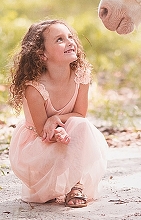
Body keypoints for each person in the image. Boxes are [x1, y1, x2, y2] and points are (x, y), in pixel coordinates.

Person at [7, 20, 108, 207]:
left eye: (70, 37)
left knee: (82, 126)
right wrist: (56, 133)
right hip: (38, 146)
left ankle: (76, 185)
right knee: (72, 132)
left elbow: (79, 114)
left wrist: (56, 119)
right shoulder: (35, 89)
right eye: (60, 39)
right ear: (42, 54)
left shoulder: (81, 76)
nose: (70, 42)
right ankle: (56, 184)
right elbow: (41, 132)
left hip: (68, 135)